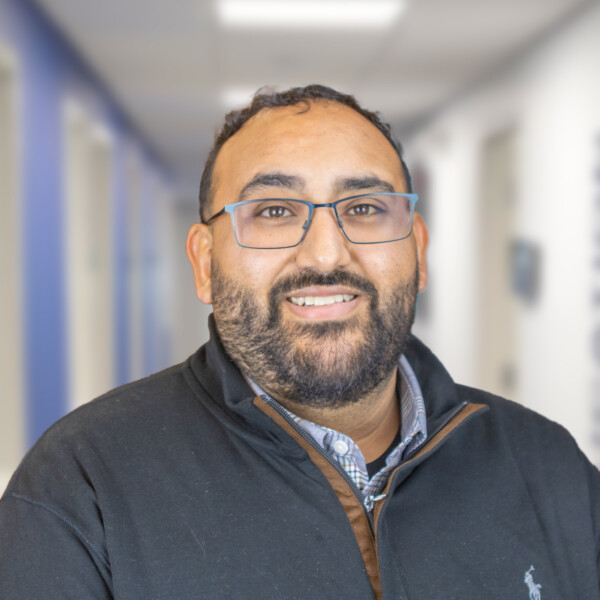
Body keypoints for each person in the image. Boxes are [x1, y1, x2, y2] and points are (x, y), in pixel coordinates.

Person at [1, 84, 599, 599]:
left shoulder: (547, 465)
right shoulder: (82, 485)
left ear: (417, 251)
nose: (326, 254)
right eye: (274, 212)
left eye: (364, 207)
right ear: (205, 263)